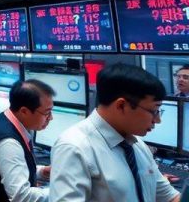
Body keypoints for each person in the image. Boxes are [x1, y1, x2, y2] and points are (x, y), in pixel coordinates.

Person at [50, 63, 180, 202]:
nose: (158, 120)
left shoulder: (137, 146)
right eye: (154, 110)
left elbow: (169, 197)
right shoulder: (74, 148)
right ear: (121, 105)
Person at [0, 79, 55, 202]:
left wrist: (40, 171)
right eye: (47, 113)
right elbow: (21, 196)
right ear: (24, 111)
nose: (51, 118)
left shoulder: (8, 120)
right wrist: (60, 190)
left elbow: (9, 169)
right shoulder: (8, 142)